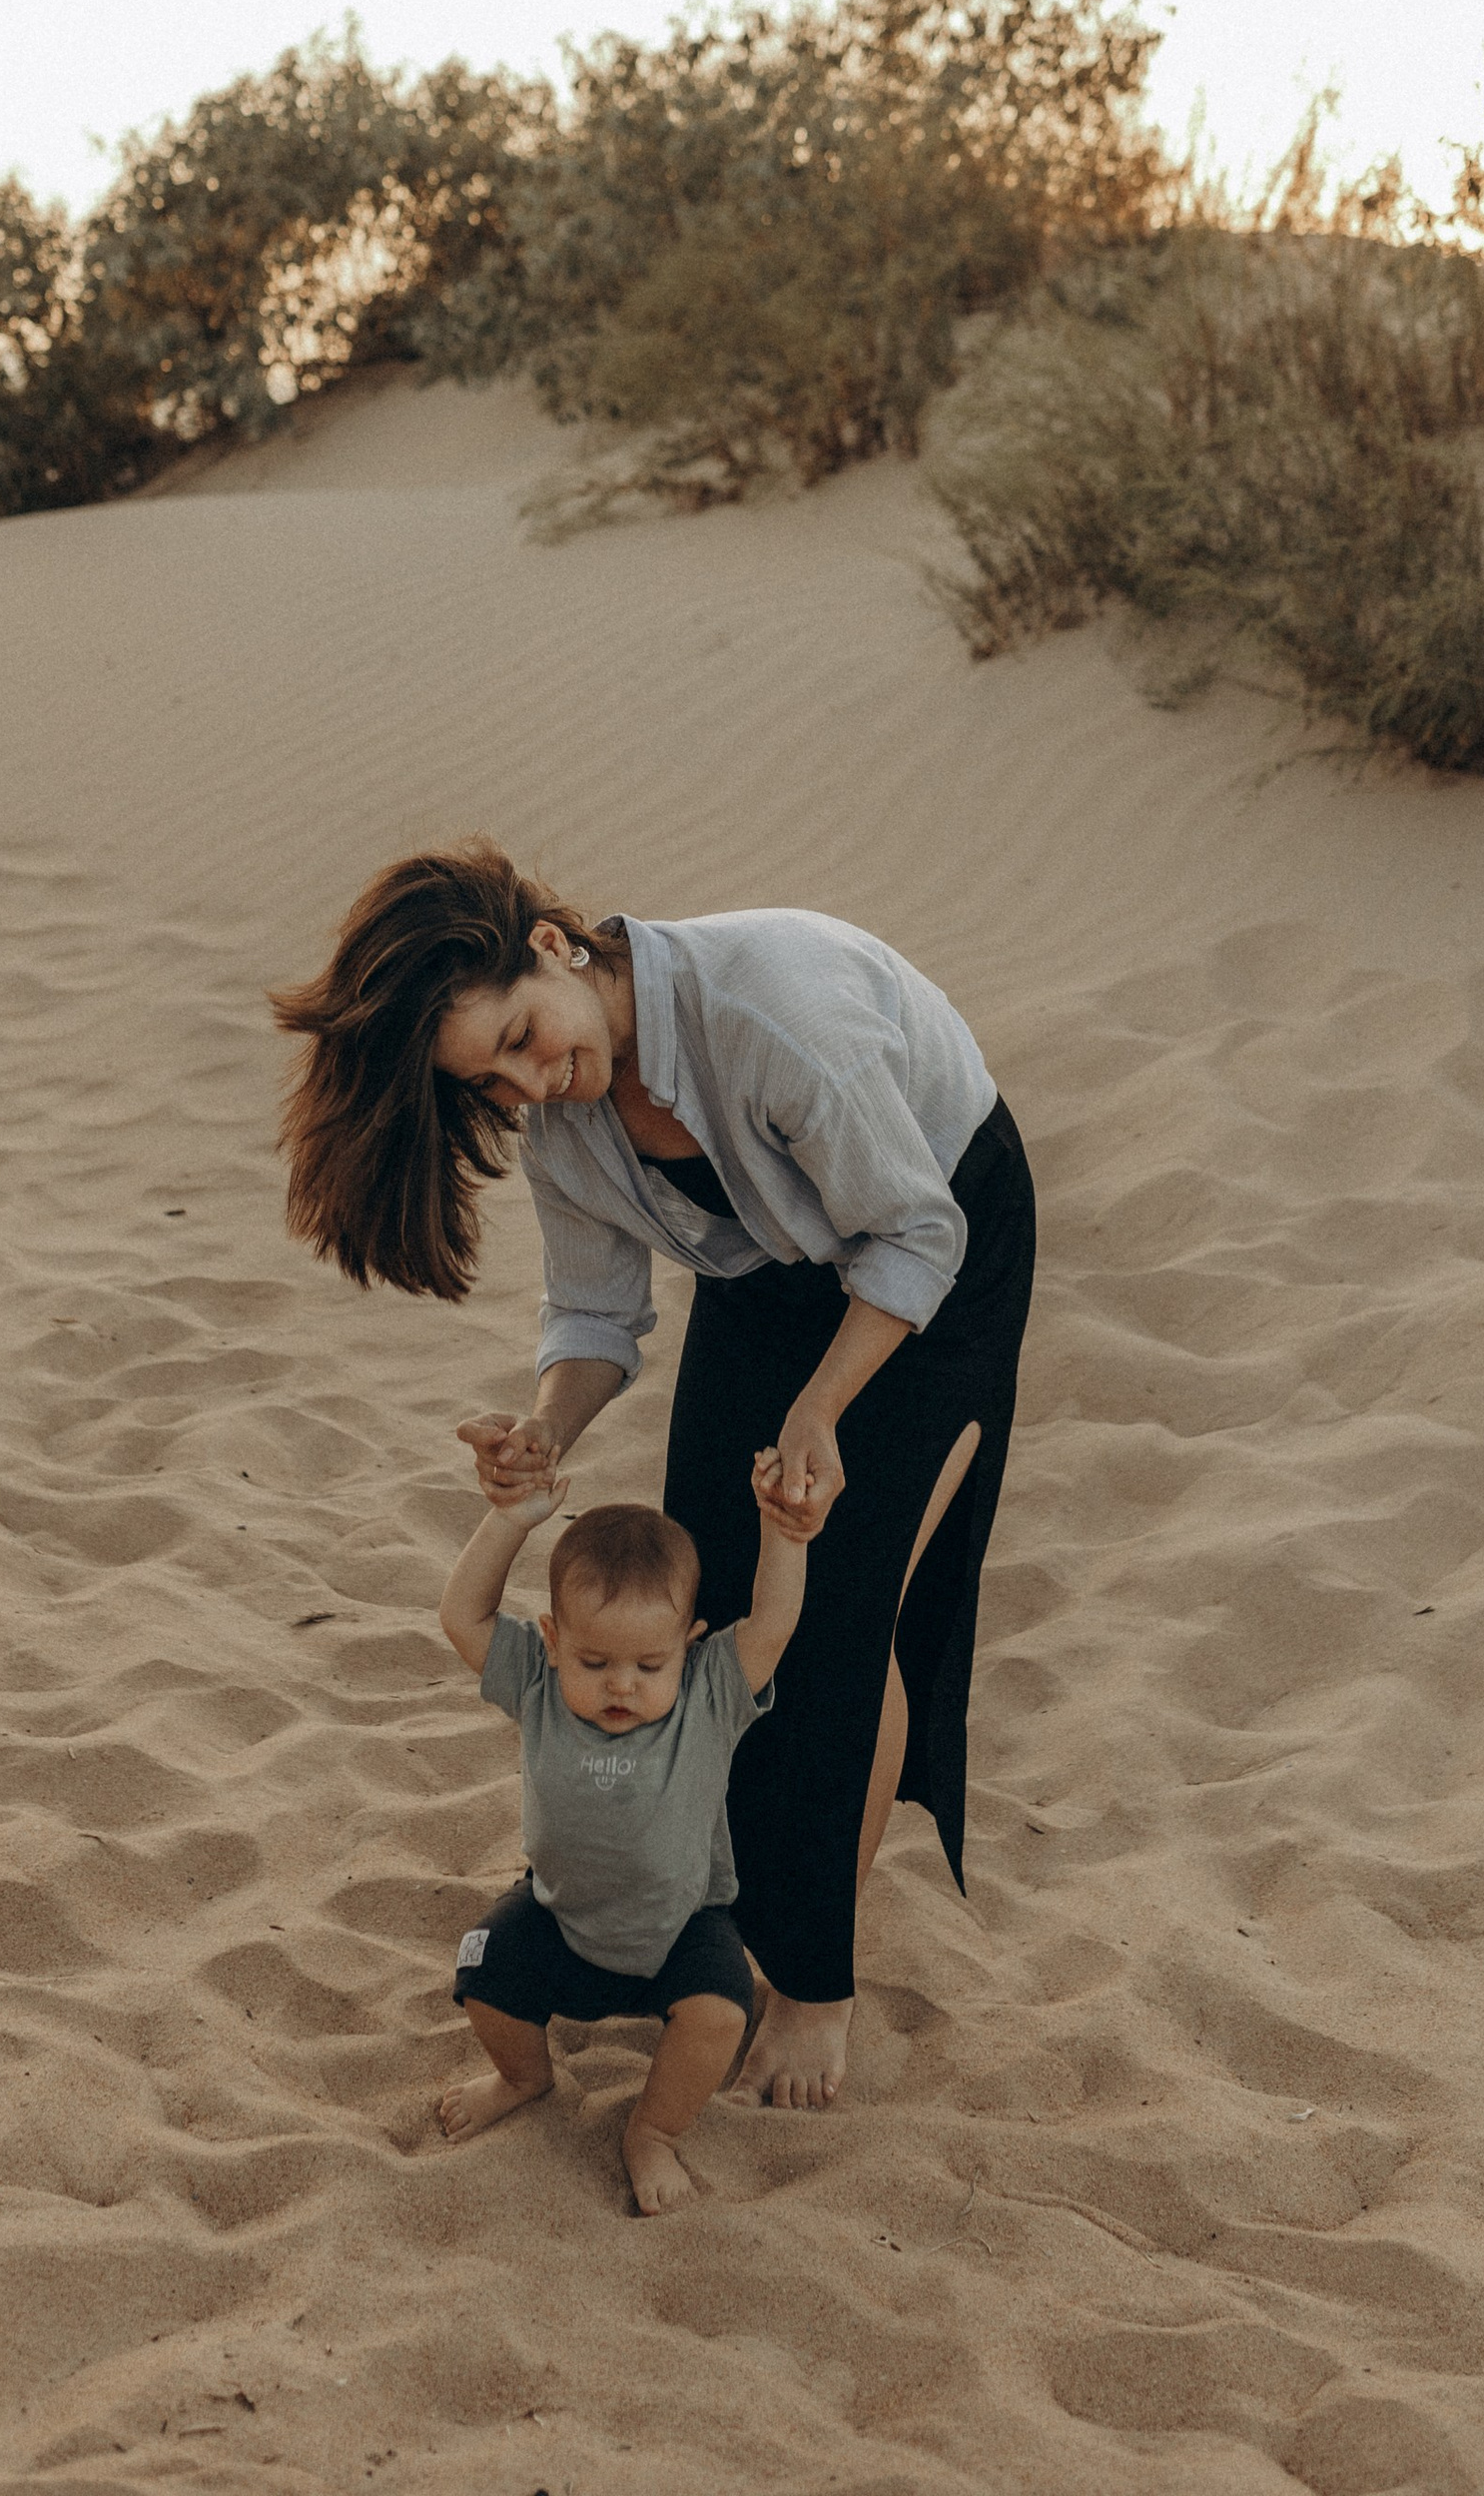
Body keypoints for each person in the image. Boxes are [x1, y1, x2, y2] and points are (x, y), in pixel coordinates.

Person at [276, 838, 1036, 2112]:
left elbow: (914, 1234)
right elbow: (593, 1317)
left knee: (843, 1612)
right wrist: (543, 1439)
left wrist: (816, 1413)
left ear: (559, 946)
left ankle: (813, 1982)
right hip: (768, 1265)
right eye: (495, 1077)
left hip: (934, 1243)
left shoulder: (770, 1010)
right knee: (709, 1606)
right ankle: (740, 1909)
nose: (533, 1081)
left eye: (525, 1035)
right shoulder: (564, 1122)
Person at [437, 1469, 807, 2211]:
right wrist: (511, 1520)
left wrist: (786, 1534)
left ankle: (654, 2131)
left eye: (649, 1665)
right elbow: (462, 1616)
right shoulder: (537, 1685)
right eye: (595, 1662)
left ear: (690, 1646)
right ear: (552, 1641)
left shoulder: (708, 1693)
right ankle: (524, 2077)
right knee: (482, 1970)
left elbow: (772, 1623)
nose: (621, 1686)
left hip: (680, 1927)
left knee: (721, 2012)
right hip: (558, 1914)